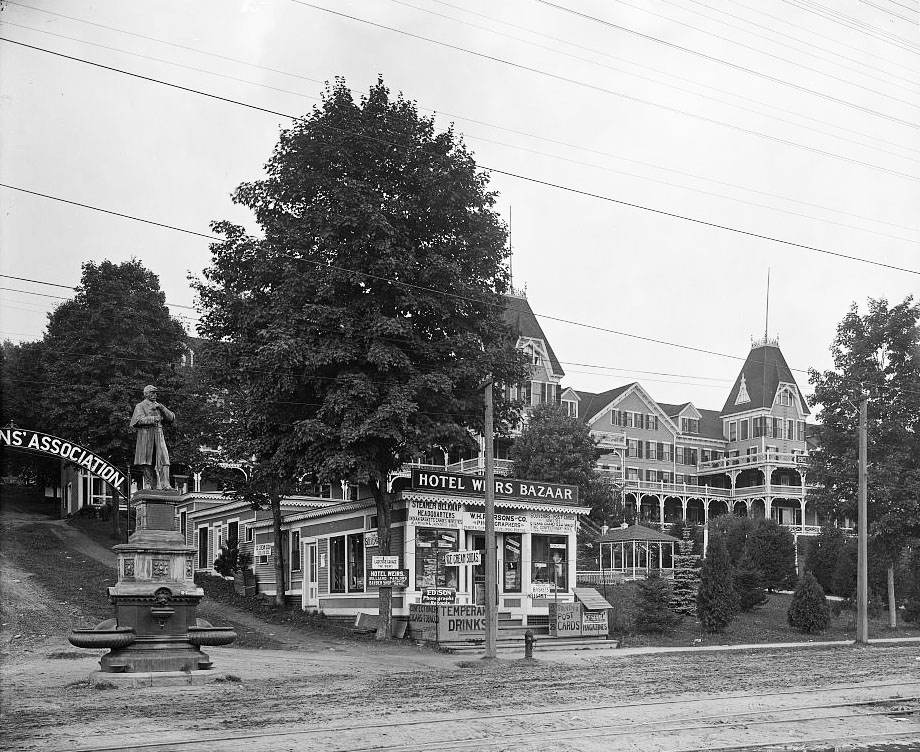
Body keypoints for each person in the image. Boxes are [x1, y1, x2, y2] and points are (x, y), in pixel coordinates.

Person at [130, 385, 176, 490]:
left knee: (164, 458)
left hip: (159, 434)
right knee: (147, 460)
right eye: (152, 392)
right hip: (146, 435)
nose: (155, 395)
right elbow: (137, 421)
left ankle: (166, 484)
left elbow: (171, 418)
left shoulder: (159, 406)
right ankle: (148, 483)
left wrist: (162, 408)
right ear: (146, 393)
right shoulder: (140, 406)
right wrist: (153, 418)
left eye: (155, 393)